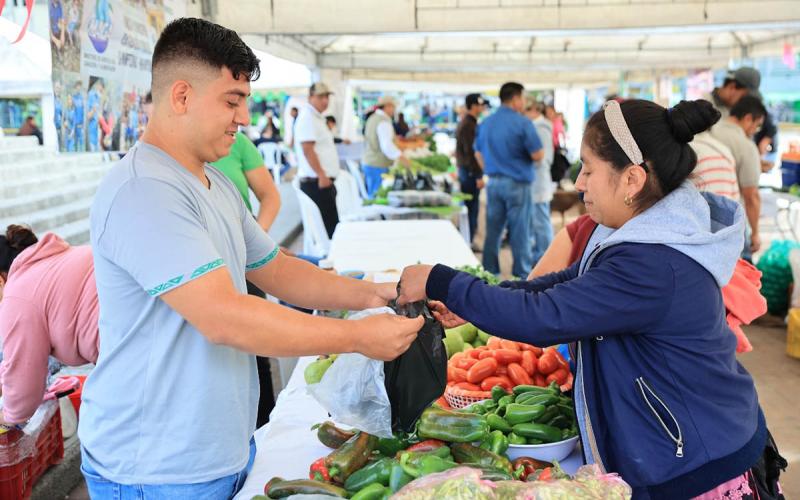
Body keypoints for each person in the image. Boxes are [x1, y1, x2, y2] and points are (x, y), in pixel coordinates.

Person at [79, 18, 422, 499]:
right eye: (232, 101)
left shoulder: (212, 182)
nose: (243, 119)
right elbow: (224, 318)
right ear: (181, 97)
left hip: (217, 452)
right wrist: (357, 336)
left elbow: (277, 270)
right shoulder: (144, 191)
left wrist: (381, 293)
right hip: (157, 470)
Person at [398, 99, 784, 500]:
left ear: (632, 179)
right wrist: (480, 299)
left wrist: (441, 281)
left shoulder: (654, 263)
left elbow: (544, 317)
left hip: (697, 464)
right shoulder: (639, 229)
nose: (579, 182)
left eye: (588, 168)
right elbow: (569, 283)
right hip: (685, 441)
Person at [0, 225, 98, 425]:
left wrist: (6, 418)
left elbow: (23, 388)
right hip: (160, 328)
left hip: (137, 349)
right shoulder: (64, 256)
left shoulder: (17, 295)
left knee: (96, 437)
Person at [475, 82, 544, 278]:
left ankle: (489, 272)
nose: (523, 102)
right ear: (515, 99)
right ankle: (522, 276)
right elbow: (538, 154)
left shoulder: (486, 122)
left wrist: (489, 168)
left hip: (493, 183)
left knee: (493, 231)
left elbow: (478, 153)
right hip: (517, 184)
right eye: (522, 98)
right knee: (520, 231)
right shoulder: (522, 123)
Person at [711, 95, 766, 260]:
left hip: (697, 217)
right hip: (730, 222)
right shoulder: (746, 145)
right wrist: (755, 233)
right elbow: (751, 196)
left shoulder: (709, 131)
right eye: (756, 127)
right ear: (748, 118)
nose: (754, 132)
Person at [294, 82, 341, 238]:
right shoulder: (307, 116)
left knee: (333, 229)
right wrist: (321, 174)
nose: (325, 100)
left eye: (327, 96)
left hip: (321, 181)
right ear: (310, 97)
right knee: (330, 233)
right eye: (320, 96)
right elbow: (307, 149)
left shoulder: (316, 116)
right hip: (317, 182)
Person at [362, 96, 412, 198]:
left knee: (373, 195)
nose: (394, 110)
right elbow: (386, 145)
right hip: (378, 164)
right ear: (387, 106)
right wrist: (401, 157)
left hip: (370, 162)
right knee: (378, 197)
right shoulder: (383, 121)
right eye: (393, 107)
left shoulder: (373, 118)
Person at [525, 100, 555, 266]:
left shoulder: (541, 128)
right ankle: (540, 256)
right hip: (536, 181)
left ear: (536, 110)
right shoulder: (537, 127)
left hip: (539, 181)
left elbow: (542, 158)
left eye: (528, 109)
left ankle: (545, 258)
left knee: (541, 222)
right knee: (537, 221)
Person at [455, 93, 486, 246]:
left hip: (466, 171)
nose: (482, 108)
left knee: (469, 209)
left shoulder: (467, 122)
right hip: (470, 173)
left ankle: (468, 241)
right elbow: (471, 152)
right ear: (474, 106)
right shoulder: (469, 125)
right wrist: (478, 175)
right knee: (471, 210)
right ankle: (468, 243)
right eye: (480, 105)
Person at [691, 130, 740, 201]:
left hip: (695, 210)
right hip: (725, 209)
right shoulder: (725, 151)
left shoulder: (687, 151)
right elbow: (735, 199)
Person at [87, 78, 104, 152]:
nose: (102, 90)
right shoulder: (91, 95)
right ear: (98, 86)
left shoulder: (99, 98)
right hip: (91, 136)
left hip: (98, 137)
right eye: (101, 87)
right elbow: (88, 116)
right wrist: (93, 110)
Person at [72, 82, 85, 151]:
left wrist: (82, 124)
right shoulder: (73, 98)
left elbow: (83, 112)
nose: (78, 88)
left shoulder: (82, 98)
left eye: (79, 87)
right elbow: (72, 112)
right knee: (75, 142)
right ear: (75, 88)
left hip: (80, 124)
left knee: (81, 142)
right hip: (74, 124)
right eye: (77, 87)